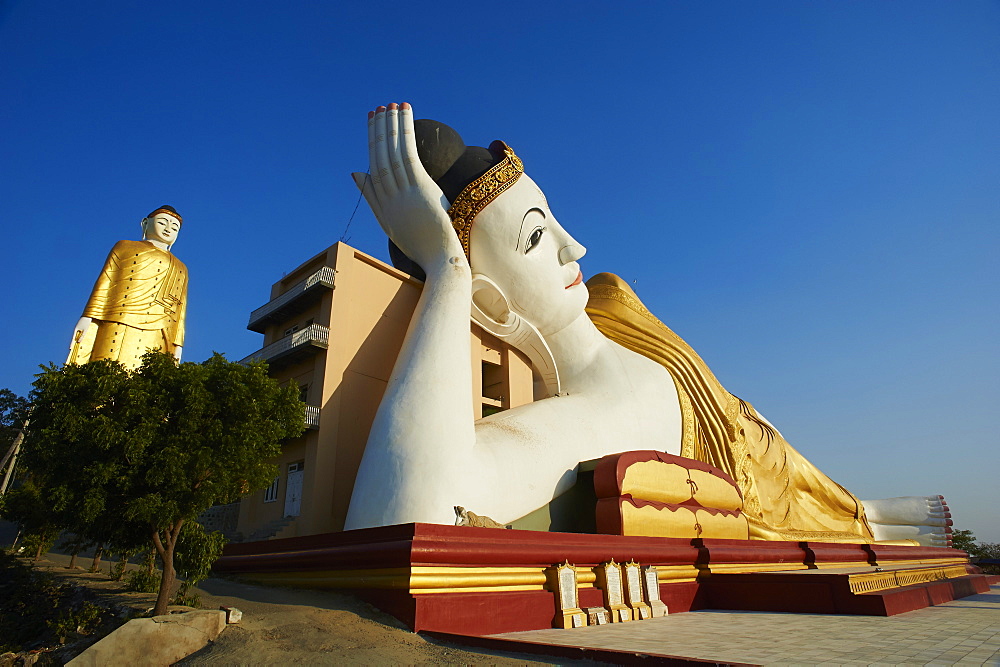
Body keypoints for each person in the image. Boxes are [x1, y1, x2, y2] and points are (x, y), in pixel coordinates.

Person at [345, 104, 950, 546]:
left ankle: (853, 509)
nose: (573, 247)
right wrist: (447, 271)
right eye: (536, 236)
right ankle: (857, 519)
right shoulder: (571, 427)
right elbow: (405, 517)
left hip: (789, 468)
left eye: (553, 220)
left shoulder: (616, 304)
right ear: (490, 306)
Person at [68, 205, 187, 370]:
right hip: (118, 320)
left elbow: (180, 311)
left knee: (147, 381)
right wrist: (88, 316)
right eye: (162, 222)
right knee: (108, 369)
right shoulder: (124, 247)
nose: (168, 229)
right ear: (145, 223)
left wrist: (177, 343)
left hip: (159, 330)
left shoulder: (180, 267)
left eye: (175, 228)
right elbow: (106, 281)